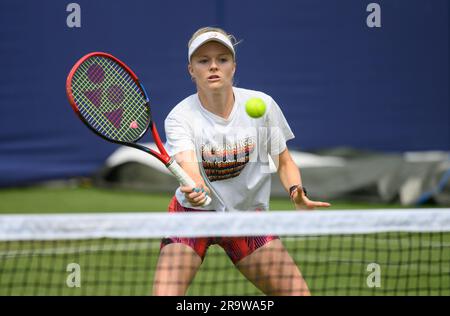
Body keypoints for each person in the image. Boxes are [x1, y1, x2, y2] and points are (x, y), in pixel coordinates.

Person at [152, 26, 331, 296]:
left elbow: (284, 162)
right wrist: (197, 188)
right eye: (203, 61)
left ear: (233, 66)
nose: (214, 66)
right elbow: (189, 167)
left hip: (246, 217)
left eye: (222, 59)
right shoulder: (180, 117)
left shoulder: (262, 105)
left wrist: (297, 192)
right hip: (192, 217)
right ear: (191, 69)